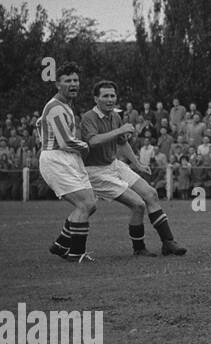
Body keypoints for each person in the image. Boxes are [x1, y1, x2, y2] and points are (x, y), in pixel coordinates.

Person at [79, 80, 187, 256]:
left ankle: (168, 242)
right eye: (105, 96)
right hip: (95, 171)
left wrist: (138, 164)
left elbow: (122, 143)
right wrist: (119, 131)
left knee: (151, 194)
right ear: (96, 98)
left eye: (112, 95)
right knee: (138, 205)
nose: (110, 99)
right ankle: (139, 249)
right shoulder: (88, 118)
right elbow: (93, 141)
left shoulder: (115, 116)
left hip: (114, 165)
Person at [39, 64, 98, 262]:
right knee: (86, 204)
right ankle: (76, 253)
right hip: (56, 157)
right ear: (57, 84)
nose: (73, 84)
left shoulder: (64, 105)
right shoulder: (56, 107)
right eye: (68, 81)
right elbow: (66, 141)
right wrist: (86, 147)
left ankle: (61, 244)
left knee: (90, 205)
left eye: (75, 80)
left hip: (66, 158)